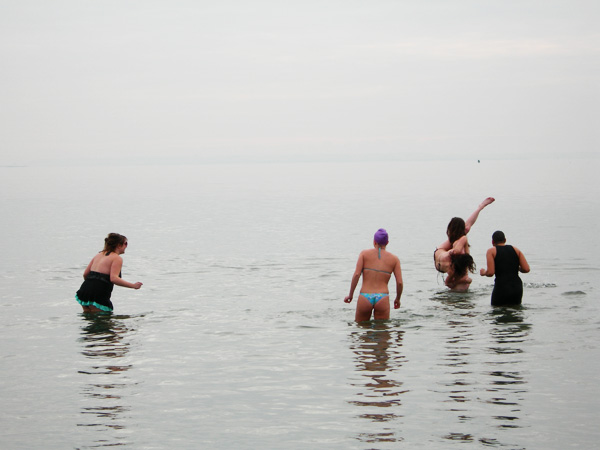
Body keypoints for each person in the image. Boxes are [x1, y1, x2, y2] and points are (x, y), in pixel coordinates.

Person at [434, 197, 495, 291]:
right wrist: (467, 279)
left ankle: (480, 207)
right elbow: (448, 283)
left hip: (444, 254)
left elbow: (468, 225)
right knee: (463, 238)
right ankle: (480, 207)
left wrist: (480, 208)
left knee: (465, 231)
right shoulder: (455, 248)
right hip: (443, 255)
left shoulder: (458, 239)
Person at [344, 229, 403, 322]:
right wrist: (397, 299)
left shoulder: (364, 254)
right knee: (382, 331)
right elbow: (399, 282)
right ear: (387, 243)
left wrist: (350, 295)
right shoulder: (394, 259)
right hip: (382, 297)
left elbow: (356, 275)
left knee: (361, 329)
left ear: (374, 242)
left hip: (365, 296)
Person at [75, 233, 143, 313]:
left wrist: (90, 287)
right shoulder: (117, 258)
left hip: (85, 290)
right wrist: (133, 286)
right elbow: (114, 278)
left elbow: (85, 274)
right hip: (99, 293)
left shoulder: (99, 255)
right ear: (118, 245)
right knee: (103, 321)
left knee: (89, 317)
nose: (126, 246)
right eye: (125, 243)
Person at [480, 230, 530, 306]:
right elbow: (526, 269)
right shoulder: (516, 250)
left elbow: (490, 272)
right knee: (515, 313)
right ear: (505, 240)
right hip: (516, 287)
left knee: (497, 312)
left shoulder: (491, 251)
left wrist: (483, 272)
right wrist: (516, 267)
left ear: (493, 242)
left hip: (501, 287)